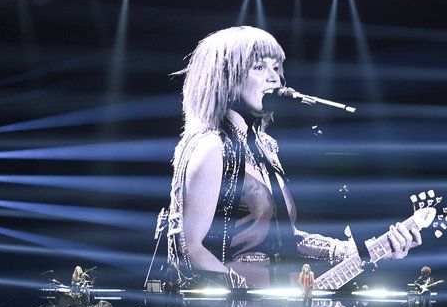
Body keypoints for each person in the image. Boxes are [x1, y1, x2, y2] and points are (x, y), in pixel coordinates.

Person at [166, 26, 421, 289]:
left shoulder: (264, 149)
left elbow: (285, 238)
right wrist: (241, 297)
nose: (274, 79)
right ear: (225, 77)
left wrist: (365, 250)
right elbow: (189, 247)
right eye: (259, 67)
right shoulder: (211, 148)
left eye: (276, 68)